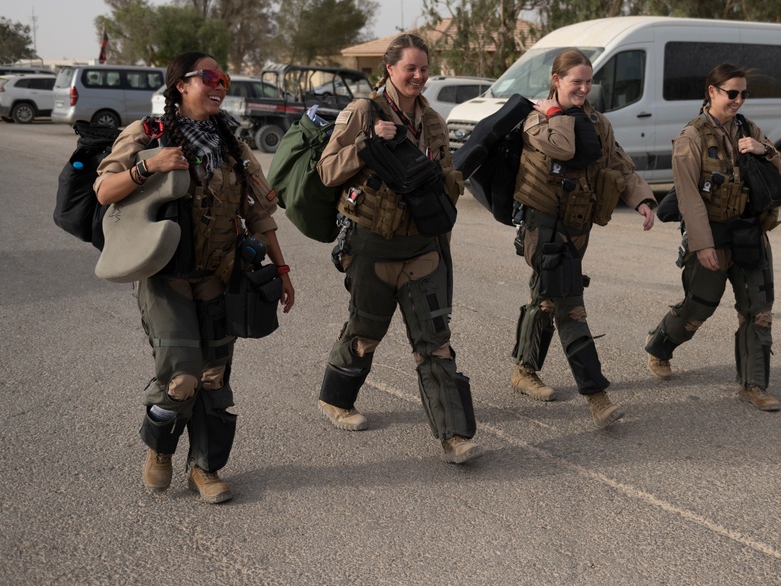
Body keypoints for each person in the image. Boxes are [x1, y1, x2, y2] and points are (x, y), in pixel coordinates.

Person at [95, 52, 295, 503]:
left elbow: (260, 213)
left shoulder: (231, 142)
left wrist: (281, 269)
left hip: (219, 275)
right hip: (165, 275)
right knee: (181, 376)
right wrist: (150, 166)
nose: (219, 84)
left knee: (214, 376)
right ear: (180, 85)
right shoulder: (149, 133)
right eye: (209, 77)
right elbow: (104, 190)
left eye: (223, 78)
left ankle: (204, 467)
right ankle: (161, 450)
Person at [315, 33, 482, 464]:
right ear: (389, 69)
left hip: (423, 246)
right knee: (366, 333)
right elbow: (328, 171)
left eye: (424, 69)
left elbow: (447, 181)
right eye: (411, 68)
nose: (419, 76)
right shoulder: (362, 112)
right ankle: (336, 399)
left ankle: (454, 435)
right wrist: (365, 146)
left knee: (434, 340)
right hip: (372, 244)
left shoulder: (434, 122)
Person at [509, 48, 656, 427]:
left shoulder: (597, 122)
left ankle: (524, 370)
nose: (584, 88)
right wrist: (558, 113)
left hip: (578, 227)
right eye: (577, 81)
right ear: (556, 80)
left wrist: (641, 200)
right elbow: (564, 147)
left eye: (589, 82)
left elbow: (618, 165)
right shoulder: (537, 118)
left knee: (545, 298)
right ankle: (596, 395)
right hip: (543, 228)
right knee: (569, 304)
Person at [644, 63, 781, 411]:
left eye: (744, 94)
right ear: (712, 92)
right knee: (698, 307)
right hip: (712, 235)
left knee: (758, 311)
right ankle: (660, 346)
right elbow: (688, 196)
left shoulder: (749, 129)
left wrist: (763, 151)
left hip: (749, 233)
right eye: (732, 93)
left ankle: (754, 385)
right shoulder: (691, 137)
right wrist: (702, 244)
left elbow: (777, 171)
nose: (738, 100)